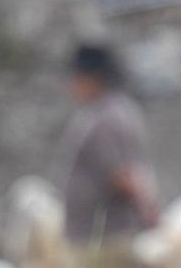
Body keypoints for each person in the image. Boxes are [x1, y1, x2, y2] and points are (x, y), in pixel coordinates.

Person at [57, 43, 158, 246]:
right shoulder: (115, 111)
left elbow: (122, 176)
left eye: (77, 78)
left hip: (105, 239)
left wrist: (150, 216)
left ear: (93, 79)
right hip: (97, 235)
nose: (72, 85)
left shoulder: (105, 119)